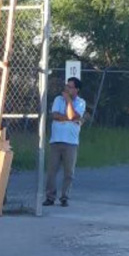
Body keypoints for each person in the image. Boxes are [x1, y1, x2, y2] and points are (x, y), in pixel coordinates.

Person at [43, 77, 86, 207]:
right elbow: (55, 115)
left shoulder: (81, 102)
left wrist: (68, 101)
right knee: (52, 171)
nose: (67, 89)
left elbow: (73, 115)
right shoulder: (58, 99)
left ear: (76, 89)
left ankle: (64, 197)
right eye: (66, 86)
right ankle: (50, 197)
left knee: (69, 172)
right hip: (56, 140)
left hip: (71, 142)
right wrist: (69, 118)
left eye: (70, 87)